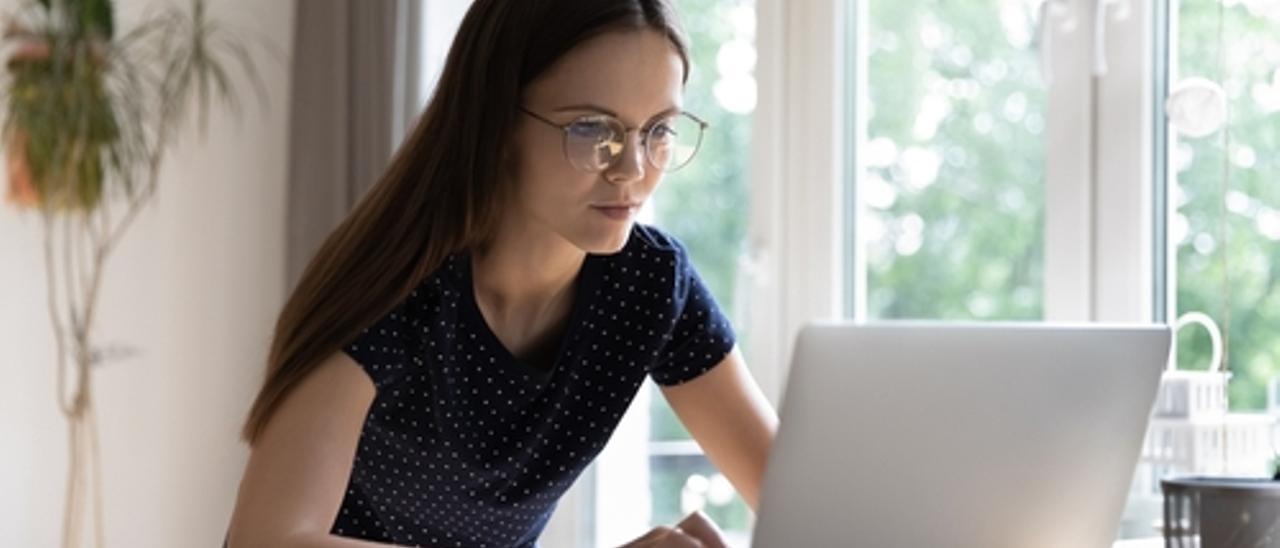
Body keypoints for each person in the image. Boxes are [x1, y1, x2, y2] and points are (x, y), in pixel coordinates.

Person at [225, 0, 777, 546]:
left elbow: (799, 500)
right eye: (591, 128)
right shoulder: (392, 289)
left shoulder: (648, 286)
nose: (632, 169)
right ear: (497, 121)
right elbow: (268, 540)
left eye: (659, 130)